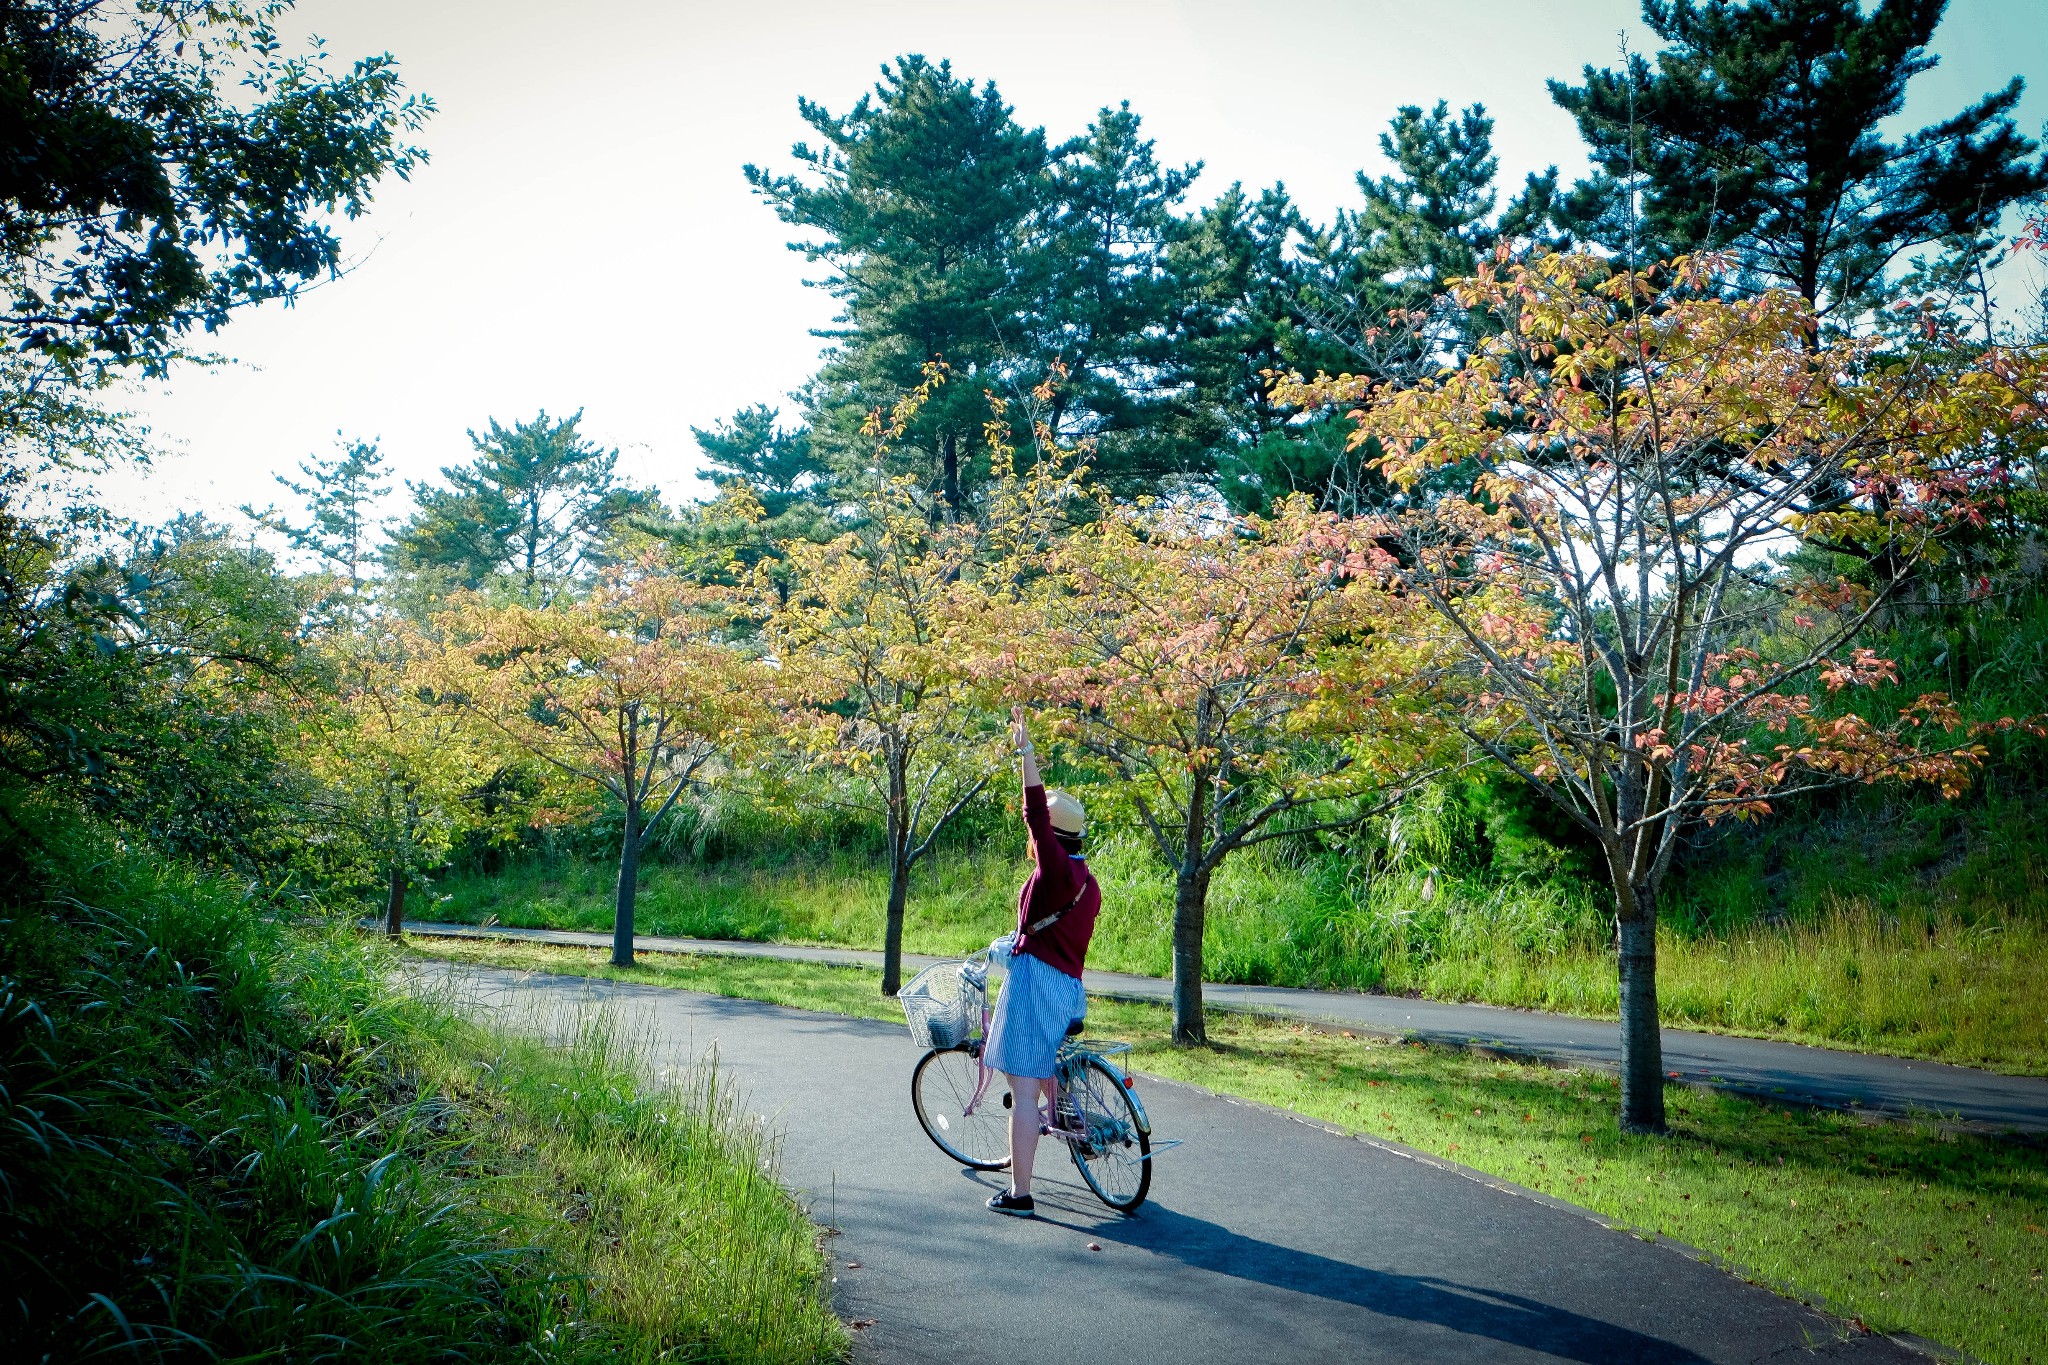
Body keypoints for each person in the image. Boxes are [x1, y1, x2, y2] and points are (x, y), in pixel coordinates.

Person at [982, 705, 1100, 1218]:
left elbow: (1033, 811)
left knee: (1021, 1090)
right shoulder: (1087, 881)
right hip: (1069, 990)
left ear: (1053, 835)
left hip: (1036, 986)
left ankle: (1021, 1194)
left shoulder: (1055, 873)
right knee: (1043, 1073)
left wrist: (1026, 753)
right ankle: (1070, 1122)